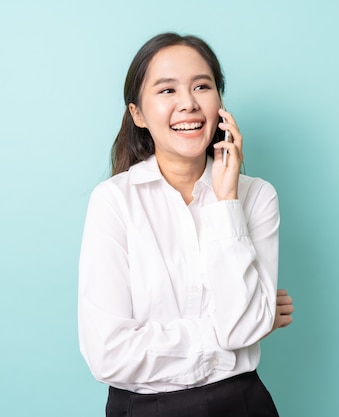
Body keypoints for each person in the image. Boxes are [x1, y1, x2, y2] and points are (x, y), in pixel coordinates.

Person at [78, 32, 293, 417]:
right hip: (143, 410)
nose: (188, 104)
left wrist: (227, 202)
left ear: (220, 103)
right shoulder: (114, 201)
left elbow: (243, 330)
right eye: (167, 90)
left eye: (202, 86)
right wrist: (235, 334)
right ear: (138, 114)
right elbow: (107, 354)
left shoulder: (257, 197)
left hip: (242, 404)